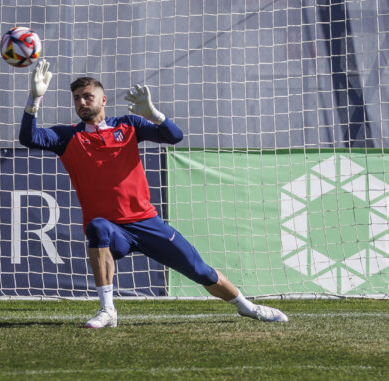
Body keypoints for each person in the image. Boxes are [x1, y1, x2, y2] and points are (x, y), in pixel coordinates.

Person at [19, 59, 288, 328]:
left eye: (88, 96)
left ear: (104, 100)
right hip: (114, 231)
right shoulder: (68, 137)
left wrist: (154, 115)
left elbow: (174, 136)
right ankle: (108, 310)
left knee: (200, 271)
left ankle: (248, 307)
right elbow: (28, 138)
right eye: (77, 98)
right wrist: (34, 98)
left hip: (147, 223)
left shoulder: (128, 125)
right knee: (97, 228)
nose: (82, 102)